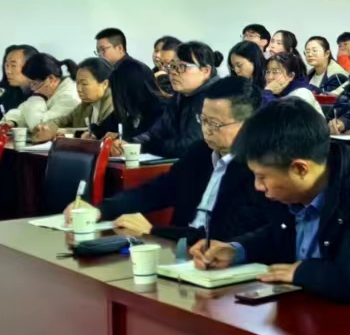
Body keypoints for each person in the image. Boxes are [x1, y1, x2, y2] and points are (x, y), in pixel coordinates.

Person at [190, 100, 350, 304]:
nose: (258, 186)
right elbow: (281, 232)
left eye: (262, 177)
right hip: (311, 308)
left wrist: (301, 273)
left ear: (300, 169)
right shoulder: (292, 187)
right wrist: (236, 250)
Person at [98, 76, 287, 248]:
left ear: (248, 124)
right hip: (179, 251)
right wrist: (102, 210)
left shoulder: (259, 170)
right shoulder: (200, 152)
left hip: (218, 260)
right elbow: (158, 190)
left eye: (215, 123)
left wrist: (153, 231)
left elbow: (225, 236)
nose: (206, 130)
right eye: (203, 120)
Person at [140, 40, 220, 159]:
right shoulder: (180, 94)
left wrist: (146, 146)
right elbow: (157, 131)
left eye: (182, 66)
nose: (173, 72)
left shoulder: (215, 98)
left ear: (205, 71)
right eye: (172, 66)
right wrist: (129, 143)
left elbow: (192, 146)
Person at [93, 27, 163, 136]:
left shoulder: (133, 70)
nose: (100, 55)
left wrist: (127, 136)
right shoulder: (116, 72)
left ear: (120, 48)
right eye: (98, 51)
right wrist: (97, 132)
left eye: (103, 49)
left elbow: (146, 112)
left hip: (147, 137)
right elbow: (119, 113)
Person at [35, 57, 117, 142]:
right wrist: (47, 128)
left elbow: (101, 133)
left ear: (104, 84)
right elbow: (62, 121)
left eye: (84, 84)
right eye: (77, 83)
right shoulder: (84, 106)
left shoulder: (115, 106)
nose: (79, 89)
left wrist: (64, 132)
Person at [1, 54, 81, 132]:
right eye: (30, 84)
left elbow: (39, 126)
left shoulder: (69, 97)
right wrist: (13, 121)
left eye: (34, 83)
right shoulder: (51, 89)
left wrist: (37, 98)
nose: (33, 89)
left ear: (51, 79)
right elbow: (24, 110)